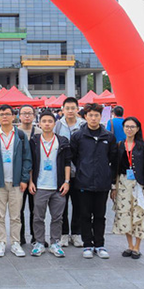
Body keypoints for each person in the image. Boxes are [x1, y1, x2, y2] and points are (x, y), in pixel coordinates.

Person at [71, 103, 118, 259]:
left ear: (100, 117)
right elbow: (74, 157)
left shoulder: (108, 136)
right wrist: (83, 170)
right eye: (90, 115)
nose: (93, 118)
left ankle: (99, 244)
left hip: (102, 183)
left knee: (100, 215)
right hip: (83, 181)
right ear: (85, 117)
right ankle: (87, 245)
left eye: (96, 115)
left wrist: (111, 180)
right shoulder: (78, 136)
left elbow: (113, 159)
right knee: (84, 215)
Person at [0, 104, 32, 258]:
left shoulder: (20, 135)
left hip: (16, 182)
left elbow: (27, 158)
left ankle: (15, 243)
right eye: (1, 114)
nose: (5, 117)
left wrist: (24, 179)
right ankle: (1, 242)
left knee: (15, 216)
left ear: (14, 116)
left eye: (7, 114)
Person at [111, 116, 144, 259]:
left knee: (139, 214)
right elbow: (115, 167)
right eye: (127, 126)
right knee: (124, 214)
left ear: (137, 129)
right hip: (123, 183)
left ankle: (137, 247)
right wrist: (113, 186)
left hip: (138, 185)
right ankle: (129, 245)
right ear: (123, 128)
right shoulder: (119, 145)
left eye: (132, 127)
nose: (129, 129)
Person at [28, 111, 71, 258]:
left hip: (58, 186)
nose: (47, 124)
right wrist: (31, 181)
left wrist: (66, 182)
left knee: (57, 217)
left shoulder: (62, 141)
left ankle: (55, 243)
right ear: (39, 123)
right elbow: (30, 163)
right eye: (44, 121)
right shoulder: (34, 141)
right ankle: (39, 242)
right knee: (38, 217)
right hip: (40, 186)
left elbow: (67, 163)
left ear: (54, 123)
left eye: (50, 121)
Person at [54, 96, 86, 248]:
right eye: (67, 108)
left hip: (80, 171)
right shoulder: (57, 125)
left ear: (77, 109)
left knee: (79, 204)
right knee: (62, 204)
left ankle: (77, 233)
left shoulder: (83, 125)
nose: (70, 111)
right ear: (63, 110)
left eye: (73, 108)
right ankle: (64, 233)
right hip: (62, 171)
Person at [17, 104, 42, 246]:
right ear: (19, 116)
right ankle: (20, 237)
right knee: (18, 209)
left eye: (29, 113)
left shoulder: (39, 132)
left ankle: (35, 236)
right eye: (24, 113)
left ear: (34, 116)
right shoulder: (15, 132)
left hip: (36, 177)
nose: (27, 116)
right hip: (19, 176)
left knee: (35, 209)